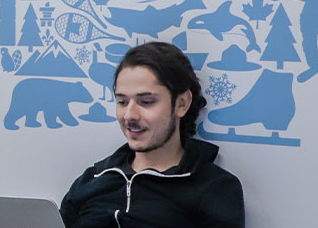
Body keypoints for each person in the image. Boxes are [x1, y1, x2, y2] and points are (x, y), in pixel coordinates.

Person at [60, 41, 244, 227]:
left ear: (182, 104)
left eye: (146, 102)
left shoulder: (214, 188)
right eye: (122, 102)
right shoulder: (92, 180)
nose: (130, 116)